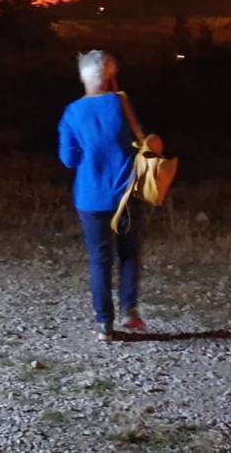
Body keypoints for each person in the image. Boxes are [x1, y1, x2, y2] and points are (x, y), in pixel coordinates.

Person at [57, 50, 147, 342]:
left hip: (90, 197)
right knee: (129, 254)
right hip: (126, 195)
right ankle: (129, 311)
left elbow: (68, 160)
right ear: (111, 75)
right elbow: (142, 143)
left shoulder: (71, 112)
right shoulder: (120, 103)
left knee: (99, 259)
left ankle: (104, 325)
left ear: (83, 77)